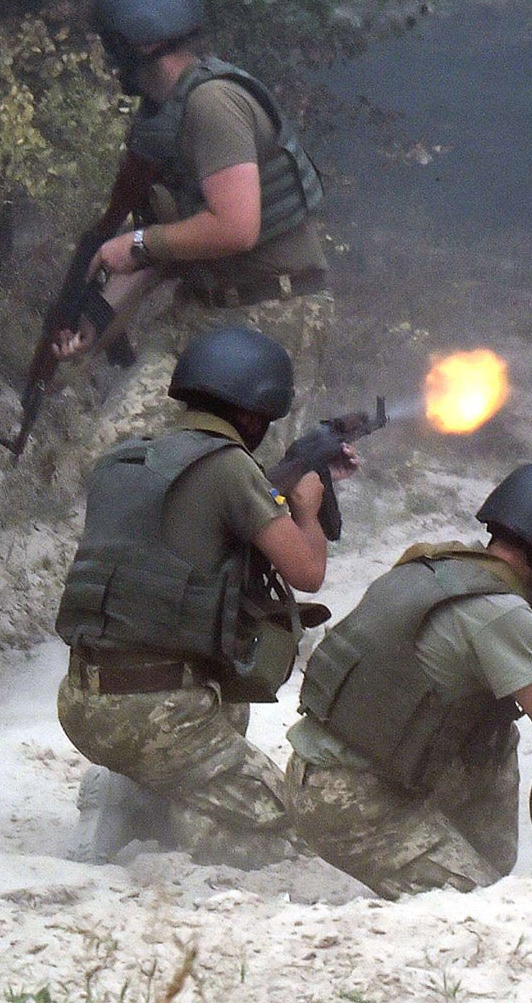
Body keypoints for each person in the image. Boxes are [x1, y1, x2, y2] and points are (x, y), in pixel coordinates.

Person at [55, 325, 350, 867]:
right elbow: (307, 572)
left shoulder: (125, 459)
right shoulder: (231, 468)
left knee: (222, 703)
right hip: (159, 712)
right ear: (255, 413)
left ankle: (128, 783)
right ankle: (133, 795)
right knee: (289, 825)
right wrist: (306, 508)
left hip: (80, 699)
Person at [284, 462, 532, 898]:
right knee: (486, 905)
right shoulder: (500, 612)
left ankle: (475, 858)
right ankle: (475, 873)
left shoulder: (439, 561)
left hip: (324, 770)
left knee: (494, 725)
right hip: (350, 802)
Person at [53, 0, 332, 452]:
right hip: (202, 312)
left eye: (111, 44)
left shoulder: (213, 104)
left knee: (242, 484)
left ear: (134, 45)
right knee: (115, 452)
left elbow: (235, 227)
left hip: (272, 316)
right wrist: (91, 323)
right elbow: (160, 250)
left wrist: (136, 244)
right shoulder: (164, 119)